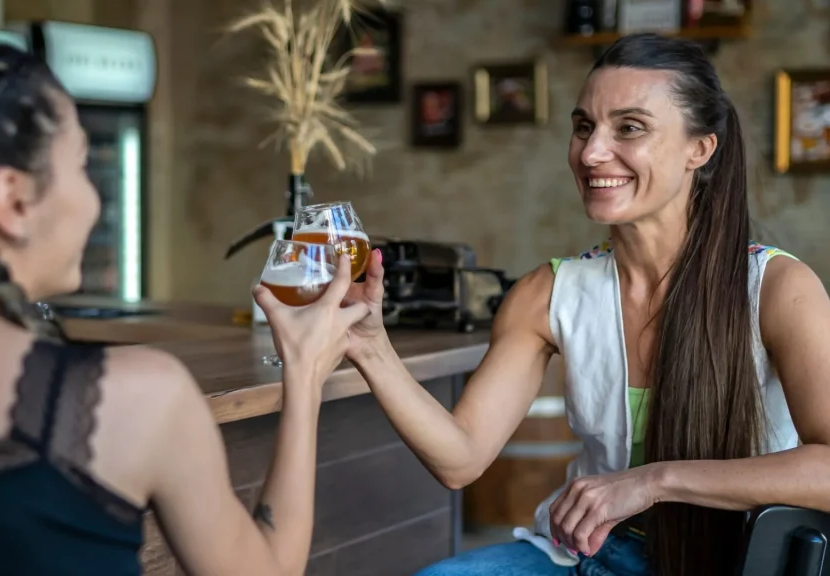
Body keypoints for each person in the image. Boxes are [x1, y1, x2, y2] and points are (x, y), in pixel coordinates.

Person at [0, 41, 370, 575]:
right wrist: (304, 372)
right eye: (80, 165)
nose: (95, 198)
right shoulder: (136, 400)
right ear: (13, 199)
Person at [337, 33, 830, 576]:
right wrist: (371, 346)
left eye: (630, 128)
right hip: (592, 555)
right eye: (583, 127)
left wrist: (651, 481)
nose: (592, 152)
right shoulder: (545, 294)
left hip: (738, 559)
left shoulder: (778, 288)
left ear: (700, 149)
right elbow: (460, 460)